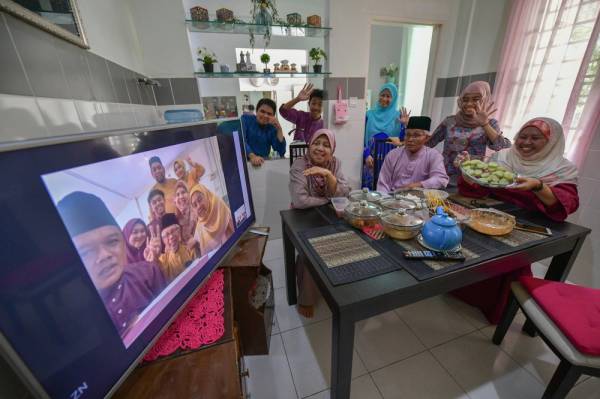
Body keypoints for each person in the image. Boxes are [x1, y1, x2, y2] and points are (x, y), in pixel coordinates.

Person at [453, 117, 579, 323]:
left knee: (508, 263)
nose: (526, 142)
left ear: (552, 142)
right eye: (522, 136)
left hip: (529, 224)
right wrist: (467, 174)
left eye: (535, 138)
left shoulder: (561, 169)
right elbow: (480, 187)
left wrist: (538, 186)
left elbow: (565, 204)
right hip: (490, 216)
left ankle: (499, 307)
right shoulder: (503, 157)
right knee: (468, 248)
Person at [57, 192, 166, 338]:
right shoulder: (73, 318)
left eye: (112, 241)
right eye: (85, 252)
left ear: (122, 241)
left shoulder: (149, 272)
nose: (104, 255)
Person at [289, 129, 350, 317]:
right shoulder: (299, 165)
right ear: (310, 144)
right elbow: (300, 201)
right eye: (316, 143)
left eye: (326, 145)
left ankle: (337, 285)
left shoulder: (335, 163)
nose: (320, 148)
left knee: (349, 238)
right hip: (303, 214)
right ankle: (306, 299)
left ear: (332, 150)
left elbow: (344, 191)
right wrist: (327, 200)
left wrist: (329, 176)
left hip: (329, 212)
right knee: (309, 250)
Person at [427, 81, 511, 177]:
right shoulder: (450, 121)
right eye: (465, 100)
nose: (469, 104)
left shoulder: (491, 123)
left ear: (485, 100)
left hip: (471, 177)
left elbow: (502, 147)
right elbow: (429, 143)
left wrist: (485, 124)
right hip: (444, 175)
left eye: (476, 99)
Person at [377, 116, 449, 193]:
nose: (410, 139)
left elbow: (441, 179)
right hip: (392, 199)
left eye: (416, 135)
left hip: (421, 201)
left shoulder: (433, 155)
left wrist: (416, 186)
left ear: (427, 138)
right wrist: (384, 200)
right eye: (408, 135)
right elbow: (383, 184)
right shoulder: (393, 155)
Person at [362, 83, 410, 188]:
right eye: (382, 95)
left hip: (390, 160)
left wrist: (405, 125)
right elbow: (361, 138)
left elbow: (402, 141)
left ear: (394, 99)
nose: (384, 98)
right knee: (369, 193)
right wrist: (366, 154)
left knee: (386, 192)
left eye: (388, 96)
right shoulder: (369, 114)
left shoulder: (398, 116)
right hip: (371, 160)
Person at [148, 213, 196, 283]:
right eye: (166, 234)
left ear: (179, 232)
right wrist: (154, 259)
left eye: (173, 231)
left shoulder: (190, 248)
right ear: (163, 240)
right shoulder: (163, 260)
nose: (171, 237)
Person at [189, 184, 235, 255]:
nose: (199, 206)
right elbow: (197, 237)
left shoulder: (218, 205)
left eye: (200, 199)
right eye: (195, 205)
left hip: (233, 248)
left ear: (206, 195)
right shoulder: (200, 222)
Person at [241, 98, 286, 167]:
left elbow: (281, 151)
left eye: (269, 114)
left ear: (273, 116)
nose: (265, 115)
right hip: (244, 164)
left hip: (262, 164)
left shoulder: (271, 128)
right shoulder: (246, 120)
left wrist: (279, 129)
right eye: (262, 111)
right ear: (256, 111)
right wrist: (252, 156)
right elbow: (241, 140)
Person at [173, 180, 197, 245]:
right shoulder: (174, 220)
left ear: (189, 195)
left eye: (183, 192)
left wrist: (196, 239)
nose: (181, 196)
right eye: (177, 195)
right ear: (175, 201)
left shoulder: (197, 211)